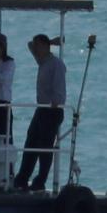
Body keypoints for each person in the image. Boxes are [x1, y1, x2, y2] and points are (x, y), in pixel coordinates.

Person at [17, 33, 68, 192]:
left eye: (40, 45)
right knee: (31, 141)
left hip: (52, 109)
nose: (36, 49)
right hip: (42, 108)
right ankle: (22, 178)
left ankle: (40, 181)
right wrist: (50, 42)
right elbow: (29, 45)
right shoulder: (42, 61)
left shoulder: (55, 64)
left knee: (45, 146)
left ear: (46, 47)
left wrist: (56, 102)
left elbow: (60, 90)